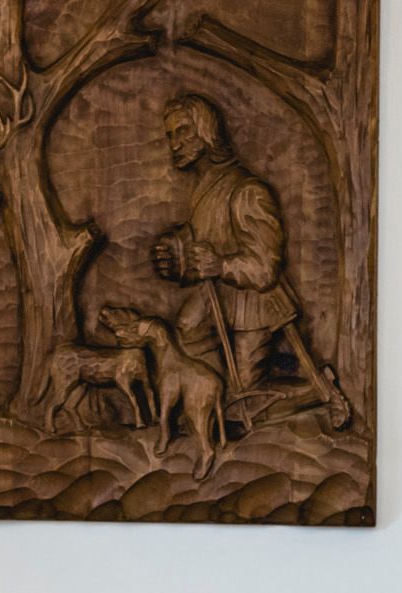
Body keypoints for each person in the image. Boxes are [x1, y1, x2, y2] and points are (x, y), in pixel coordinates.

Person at [148, 94, 352, 429]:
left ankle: (317, 393)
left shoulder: (247, 192)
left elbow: (265, 265)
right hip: (215, 300)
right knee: (185, 330)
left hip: (252, 307)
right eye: (170, 135)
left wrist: (221, 265)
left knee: (246, 399)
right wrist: (177, 253)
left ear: (207, 132)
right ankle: (209, 404)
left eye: (183, 131)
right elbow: (205, 233)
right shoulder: (205, 188)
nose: (175, 143)